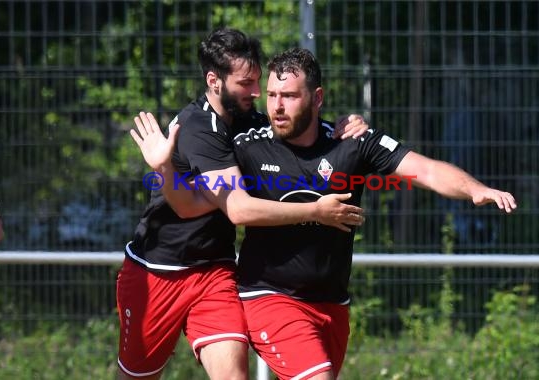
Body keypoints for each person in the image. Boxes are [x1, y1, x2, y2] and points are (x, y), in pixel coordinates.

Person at [131, 47, 517, 380]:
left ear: (317, 98)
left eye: (289, 96)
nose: (277, 106)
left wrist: (476, 190)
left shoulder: (351, 143)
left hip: (332, 303)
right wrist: (164, 170)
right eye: (271, 95)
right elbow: (198, 203)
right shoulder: (247, 147)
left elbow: (425, 169)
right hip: (270, 298)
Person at [118, 28, 367, 380]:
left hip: (215, 272)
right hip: (158, 271)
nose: (255, 92)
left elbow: (296, 137)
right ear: (214, 81)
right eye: (245, 83)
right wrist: (165, 170)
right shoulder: (198, 128)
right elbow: (211, 208)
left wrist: (345, 127)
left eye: (256, 82)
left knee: (234, 375)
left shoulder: (250, 119)